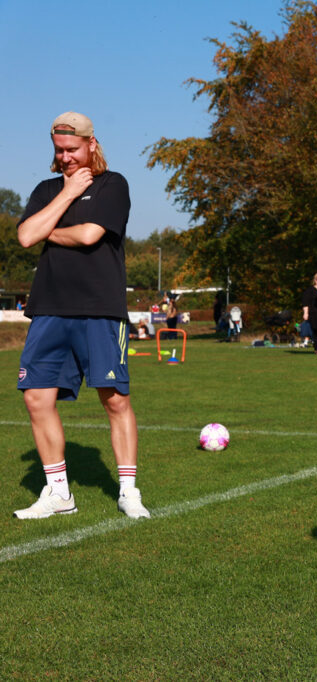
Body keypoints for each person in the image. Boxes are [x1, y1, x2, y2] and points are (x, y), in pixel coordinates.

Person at [13, 111, 149, 520]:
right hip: (50, 308)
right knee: (37, 397)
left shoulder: (114, 184)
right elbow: (23, 237)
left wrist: (46, 229)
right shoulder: (47, 189)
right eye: (59, 150)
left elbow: (90, 234)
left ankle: (128, 490)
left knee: (115, 399)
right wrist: (67, 195)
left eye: (72, 149)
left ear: (92, 144)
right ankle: (59, 494)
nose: (66, 157)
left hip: (99, 309)